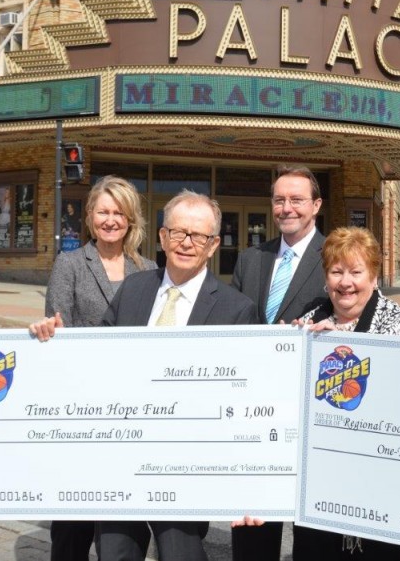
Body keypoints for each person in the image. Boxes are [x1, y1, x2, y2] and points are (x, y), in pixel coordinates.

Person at [32, 190, 260, 561]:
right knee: (115, 553)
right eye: (178, 232)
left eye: (198, 236)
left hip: (186, 463)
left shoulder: (237, 310)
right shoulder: (133, 289)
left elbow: (246, 400)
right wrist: (52, 341)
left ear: (214, 244)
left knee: (180, 554)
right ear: (162, 237)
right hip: (122, 457)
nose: (186, 243)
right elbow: (94, 358)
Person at [39, 175, 156, 561]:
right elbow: (58, 328)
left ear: (131, 220)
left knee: (125, 525)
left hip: (133, 413)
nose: (111, 220)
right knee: (72, 527)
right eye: (103, 212)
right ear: (89, 218)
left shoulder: (151, 270)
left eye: (119, 213)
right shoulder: (69, 264)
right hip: (81, 410)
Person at [292, 227, 400, 559]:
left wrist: (345, 349)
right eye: (336, 272)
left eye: (356, 272)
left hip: (378, 488)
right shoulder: (307, 322)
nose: (345, 282)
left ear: (374, 277)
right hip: (319, 489)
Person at [229, 165, 327, 561]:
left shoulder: (335, 256)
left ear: (316, 205)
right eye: (279, 200)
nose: (287, 208)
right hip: (255, 417)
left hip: (310, 413)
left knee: (312, 537)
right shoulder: (251, 259)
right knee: (254, 533)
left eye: (297, 199)